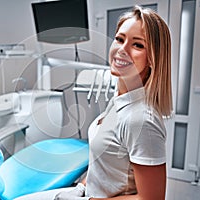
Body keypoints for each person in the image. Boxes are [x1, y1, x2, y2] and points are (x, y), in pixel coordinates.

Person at [17, 5, 172, 200]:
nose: (122, 50)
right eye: (119, 39)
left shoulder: (141, 120)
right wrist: (81, 187)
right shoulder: (119, 100)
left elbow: (151, 199)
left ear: (152, 59)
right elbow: (105, 164)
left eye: (137, 45)